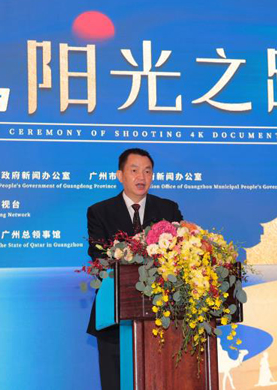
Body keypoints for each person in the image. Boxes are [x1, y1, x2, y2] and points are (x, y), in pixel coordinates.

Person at [87, 148, 183, 390]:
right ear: (120, 175)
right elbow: (99, 258)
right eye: (134, 170)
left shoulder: (168, 209)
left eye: (147, 171)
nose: (142, 177)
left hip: (162, 318)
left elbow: (180, 254)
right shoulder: (99, 212)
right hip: (115, 318)